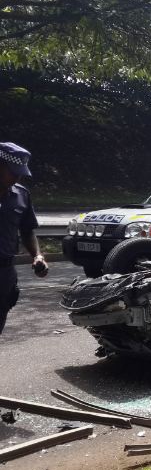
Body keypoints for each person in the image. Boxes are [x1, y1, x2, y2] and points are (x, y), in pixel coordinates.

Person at [0, 142, 48, 337]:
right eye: (13, 171)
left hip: (4, 274)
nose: (18, 177)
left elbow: (27, 230)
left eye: (21, 173)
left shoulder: (21, 195)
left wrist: (37, 255)